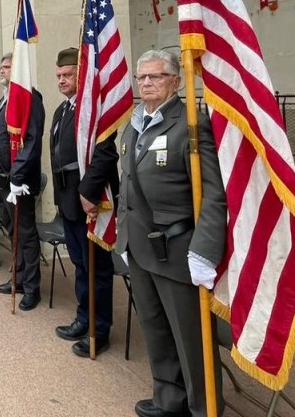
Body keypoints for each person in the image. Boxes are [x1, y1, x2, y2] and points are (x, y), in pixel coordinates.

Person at [115, 50, 226, 417]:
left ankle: (202, 407)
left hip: (179, 249)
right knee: (156, 330)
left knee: (190, 337)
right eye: (141, 77)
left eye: (156, 76)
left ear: (176, 81)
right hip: (141, 248)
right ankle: (169, 398)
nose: (146, 83)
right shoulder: (133, 124)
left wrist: (204, 250)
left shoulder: (191, 123)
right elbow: (126, 186)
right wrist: (123, 236)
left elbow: (213, 192)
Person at [50, 47, 117, 358]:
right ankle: (83, 317)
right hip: (69, 201)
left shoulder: (92, 110)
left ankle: (98, 329)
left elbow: (105, 154)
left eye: (68, 75)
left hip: (89, 201)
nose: (62, 80)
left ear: (82, 75)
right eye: (59, 76)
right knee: (80, 264)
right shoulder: (63, 110)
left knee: (96, 268)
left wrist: (88, 193)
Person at [0, 52, 46, 311]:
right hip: (2, 180)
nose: (3, 71)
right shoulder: (3, 100)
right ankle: (18, 277)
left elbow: (31, 142)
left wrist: (16, 177)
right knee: (14, 232)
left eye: (8, 67)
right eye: (1, 67)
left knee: (27, 235)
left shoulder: (30, 97)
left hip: (19, 182)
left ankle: (32, 287)